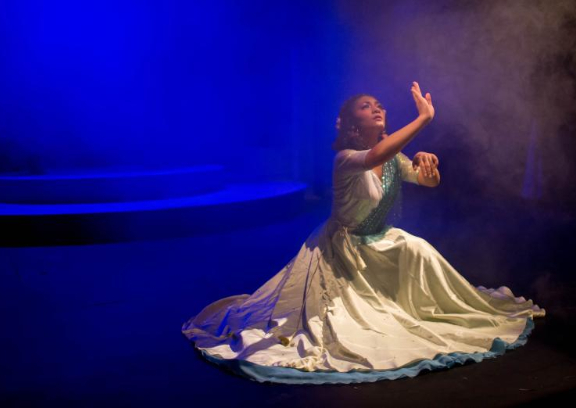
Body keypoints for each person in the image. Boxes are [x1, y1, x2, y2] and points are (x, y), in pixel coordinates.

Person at [181, 81, 546, 384]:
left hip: (380, 241)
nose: (376, 108)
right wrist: (423, 119)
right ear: (351, 124)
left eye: (379, 105)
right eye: (366, 106)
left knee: (418, 247)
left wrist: (428, 168)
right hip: (344, 252)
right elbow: (373, 158)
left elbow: (426, 180)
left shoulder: (392, 157)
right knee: (348, 322)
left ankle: (433, 309)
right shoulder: (346, 160)